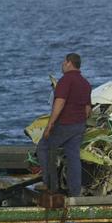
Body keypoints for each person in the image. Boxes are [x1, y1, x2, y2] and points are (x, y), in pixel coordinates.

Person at [37, 53, 91, 197]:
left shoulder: (65, 80)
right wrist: (81, 122)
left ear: (68, 63)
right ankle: (75, 191)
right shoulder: (85, 83)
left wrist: (50, 125)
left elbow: (59, 103)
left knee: (44, 148)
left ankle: (49, 185)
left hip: (65, 124)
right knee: (73, 157)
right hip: (79, 126)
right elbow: (87, 109)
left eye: (63, 62)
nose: (62, 64)